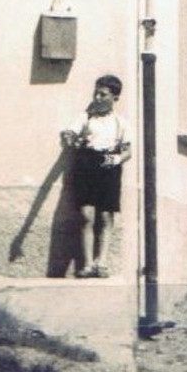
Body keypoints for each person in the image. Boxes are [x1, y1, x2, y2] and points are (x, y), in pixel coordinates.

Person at [62, 73, 130, 278]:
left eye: (103, 95)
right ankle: (88, 264)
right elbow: (69, 134)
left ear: (115, 98)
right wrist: (70, 139)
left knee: (106, 216)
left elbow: (127, 151)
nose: (98, 98)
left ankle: (102, 262)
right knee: (85, 216)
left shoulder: (120, 122)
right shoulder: (85, 117)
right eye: (96, 93)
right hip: (86, 164)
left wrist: (111, 161)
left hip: (109, 165)